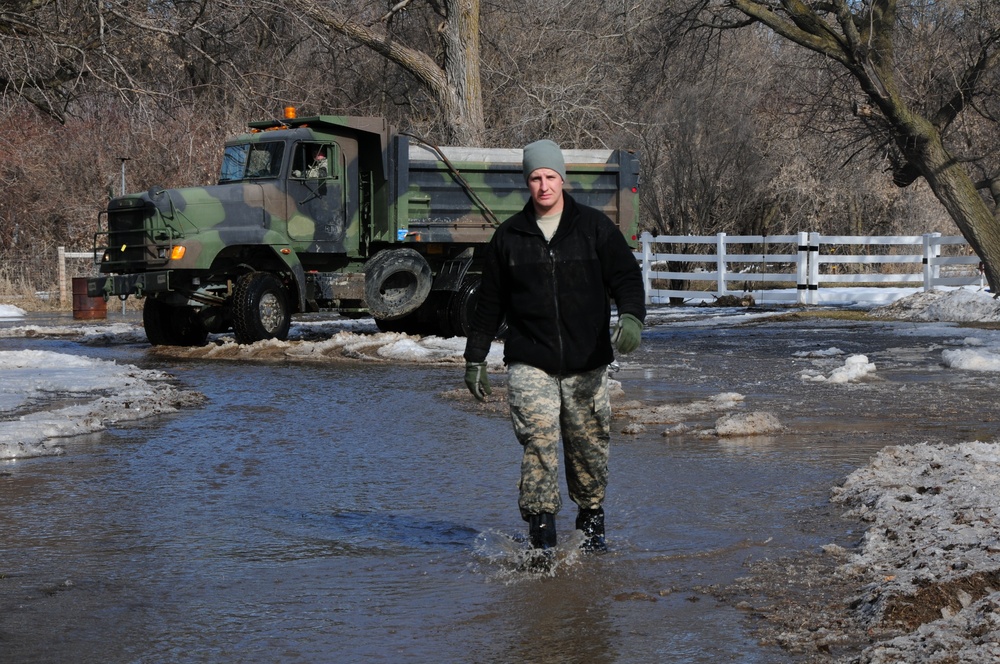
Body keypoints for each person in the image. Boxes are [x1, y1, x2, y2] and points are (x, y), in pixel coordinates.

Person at [463, 139, 646, 553]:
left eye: (550, 176)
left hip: (587, 360)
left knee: (588, 447)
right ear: (526, 182)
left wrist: (632, 316)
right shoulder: (509, 237)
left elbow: (626, 279)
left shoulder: (595, 228)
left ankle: (592, 521)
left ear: (562, 178)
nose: (543, 185)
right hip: (531, 359)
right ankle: (541, 534)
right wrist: (475, 356)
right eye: (535, 178)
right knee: (539, 439)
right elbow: (489, 305)